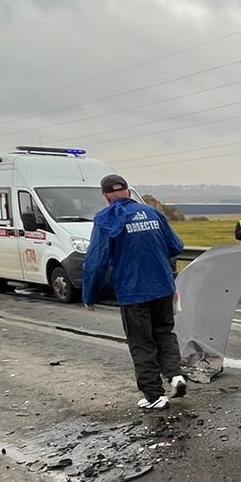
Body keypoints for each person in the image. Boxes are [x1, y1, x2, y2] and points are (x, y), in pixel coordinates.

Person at [82, 174, 187, 410]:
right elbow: (176, 246)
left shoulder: (105, 219)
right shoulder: (152, 213)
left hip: (133, 292)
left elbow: (96, 261)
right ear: (128, 192)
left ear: (106, 196)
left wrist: (90, 295)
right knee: (164, 333)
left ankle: (154, 396)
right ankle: (175, 376)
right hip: (163, 287)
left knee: (141, 342)